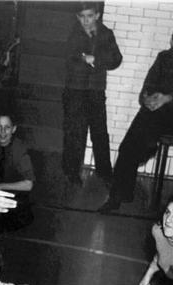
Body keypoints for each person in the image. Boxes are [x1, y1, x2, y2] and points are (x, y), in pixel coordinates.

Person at [99, 23, 173, 214]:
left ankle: (144, 154)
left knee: (138, 147)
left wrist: (166, 98)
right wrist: (146, 97)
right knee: (127, 147)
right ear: (172, 41)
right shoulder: (163, 57)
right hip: (153, 110)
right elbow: (150, 81)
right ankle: (119, 196)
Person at [61, 1, 122, 197]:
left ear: (97, 15)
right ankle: (71, 172)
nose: (86, 21)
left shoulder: (106, 34)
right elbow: (67, 56)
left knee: (99, 132)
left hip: (96, 90)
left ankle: (105, 172)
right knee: (75, 133)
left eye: (89, 16)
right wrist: (81, 58)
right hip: (75, 90)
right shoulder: (73, 34)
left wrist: (96, 59)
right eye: (82, 17)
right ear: (77, 17)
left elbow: (116, 60)